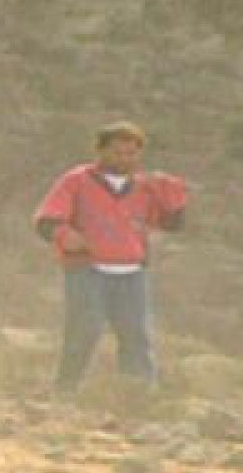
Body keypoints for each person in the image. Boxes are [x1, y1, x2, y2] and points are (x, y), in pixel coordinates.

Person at [32, 121, 188, 394]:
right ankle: (66, 390)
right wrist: (64, 235)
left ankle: (137, 394)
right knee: (85, 329)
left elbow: (170, 223)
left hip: (131, 272)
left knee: (135, 335)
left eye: (131, 153)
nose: (124, 159)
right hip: (87, 269)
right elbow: (46, 220)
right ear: (100, 151)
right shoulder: (77, 180)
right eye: (117, 153)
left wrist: (174, 200)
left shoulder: (145, 187)